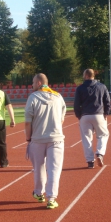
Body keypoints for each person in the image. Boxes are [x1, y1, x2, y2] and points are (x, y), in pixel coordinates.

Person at [25, 73, 66, 209]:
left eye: (32, 82)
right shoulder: (58, 97)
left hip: (37, 139)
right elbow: (61, 119)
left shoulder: (32, 98)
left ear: (38, 83)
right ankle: (51, 198)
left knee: (39, 167)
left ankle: (38, 192)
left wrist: (28, 138)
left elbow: (27, 122)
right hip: (56, 138)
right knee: (54, 169)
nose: (31, 85)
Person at [74, 69, 110, 169]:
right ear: (93, 75)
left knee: (86, 139)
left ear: (85, 76)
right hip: (99, 114)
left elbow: (76, 104)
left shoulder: (80, 88)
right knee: (103, 135)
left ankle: (90, 161)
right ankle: (100, 153)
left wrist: (79, 116)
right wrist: (106, 113)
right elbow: (107, 101)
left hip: (85, 115)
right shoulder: (102, 86)